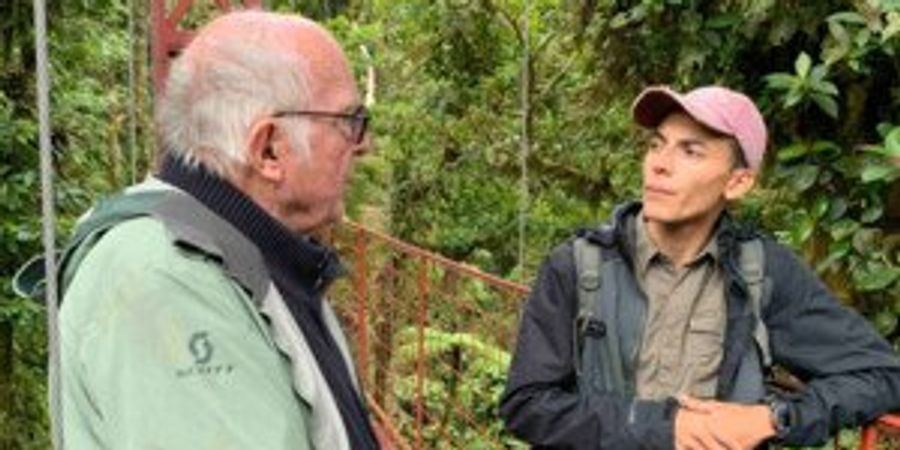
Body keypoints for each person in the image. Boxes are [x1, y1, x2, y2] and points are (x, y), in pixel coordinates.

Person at [499, 85, 900, 449]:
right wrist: (662, 427)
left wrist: (776, 418)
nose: (659, 164)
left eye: (691, 151)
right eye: (657, 145)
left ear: (738, 182)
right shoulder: (577, 265)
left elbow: (883, 375)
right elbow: (527, 404)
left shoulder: (764, 273)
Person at [56, 11, 380, 450]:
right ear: (268, 149)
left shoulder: (263, 256)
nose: (363, 145)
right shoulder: (165, 279)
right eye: (348, 121)